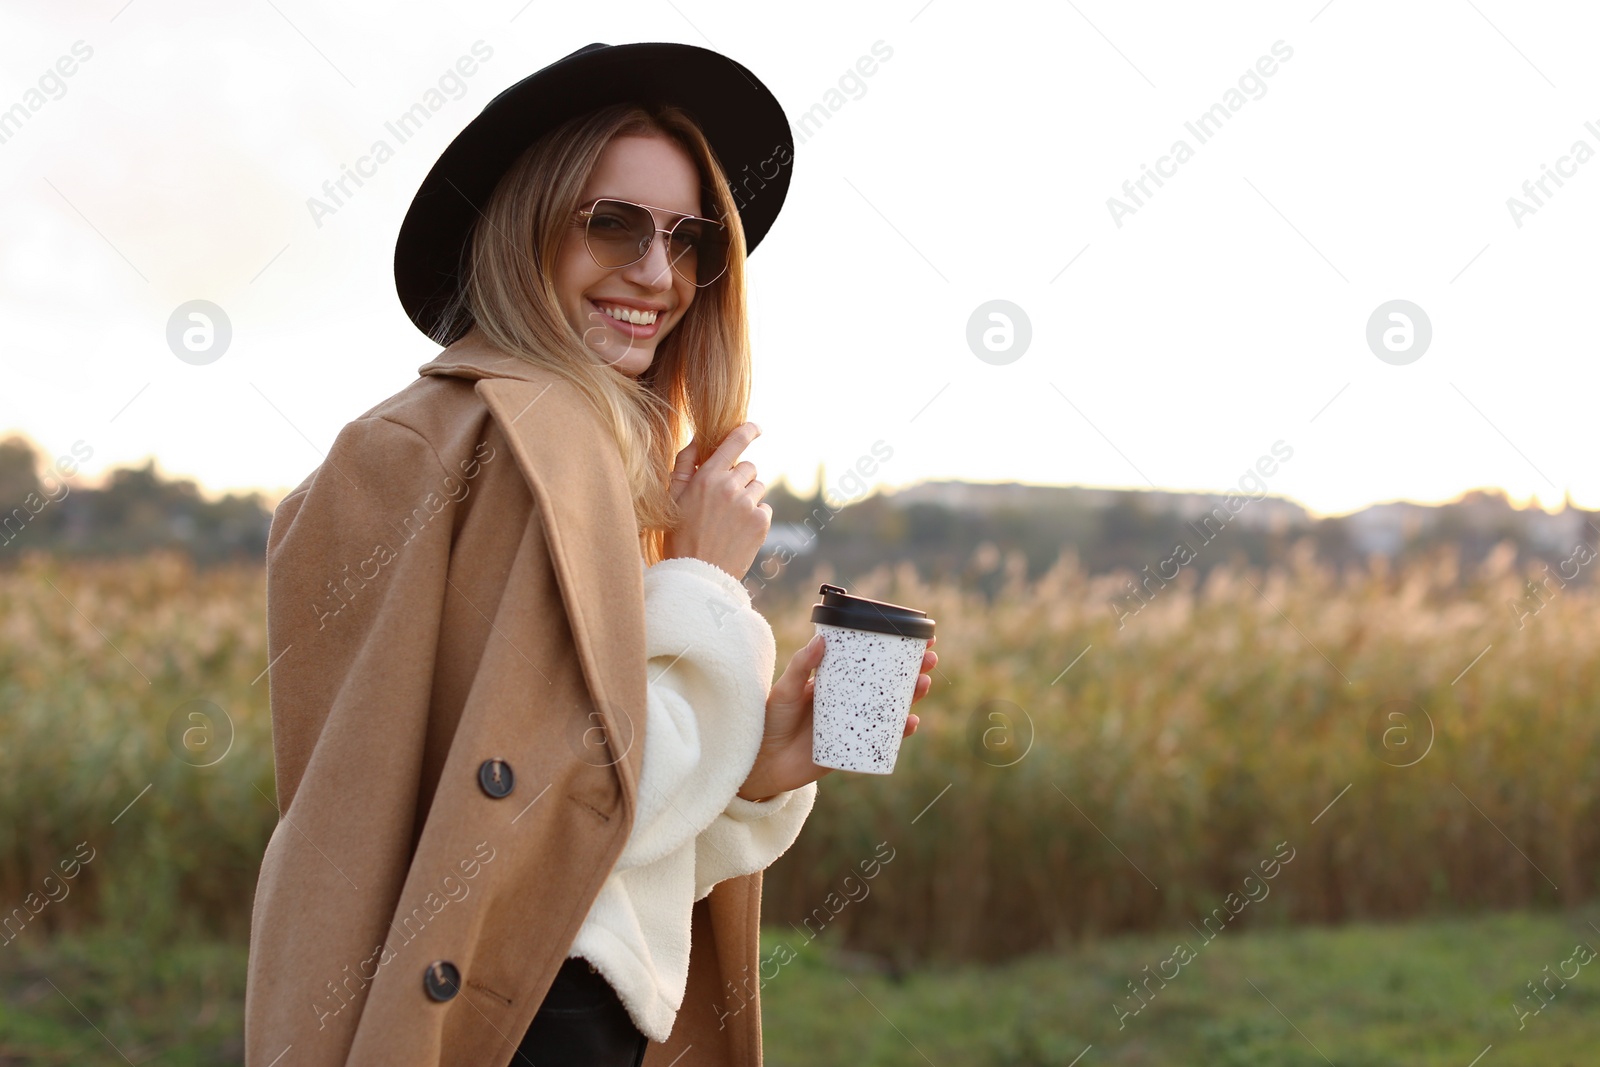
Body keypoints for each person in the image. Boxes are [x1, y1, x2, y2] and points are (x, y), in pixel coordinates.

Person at [243, 42, 936, 1067]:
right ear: (527, 228)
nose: (657, 274)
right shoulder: (467, 446)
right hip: (512, 1025)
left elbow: (611, 849)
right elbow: (537, 811)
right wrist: (704, 579)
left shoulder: (591, 453)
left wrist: (755, 764)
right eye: (612, 223)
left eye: (690, 237)